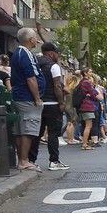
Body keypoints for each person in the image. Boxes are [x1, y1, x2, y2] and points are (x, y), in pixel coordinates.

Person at [9, 28, 45, 172]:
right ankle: (24, 160)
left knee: (20, 130)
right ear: (30, 40)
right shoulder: (26, 54)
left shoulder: (17, 53)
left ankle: (21, 160)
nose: (37, 40)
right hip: (27, 98)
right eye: (35, 37)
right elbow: (31, 77)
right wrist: (36, 97)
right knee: (28, 130)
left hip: (20, 96)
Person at [31, 41, 68, 171]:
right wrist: (61, 102)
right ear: (52, 54)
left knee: (37, 133)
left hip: (38, 103)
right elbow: (57, 86)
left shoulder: (35, 63)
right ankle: (54, 161)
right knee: (53, 134)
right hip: (52, 103)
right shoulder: (54, 66)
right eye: (57, 54)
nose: (58, 56)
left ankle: (31, 160)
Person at [75, 68, 99, 149]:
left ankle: (85, 142)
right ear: (85, 73)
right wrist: (92, 89)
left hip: (82, 105)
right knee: (88, 125)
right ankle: (84, 144)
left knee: (85, 125)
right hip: (87, 106)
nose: (91, 73)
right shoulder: (87, 82)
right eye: (90, 72)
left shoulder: (81, 82)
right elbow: (94, 93)